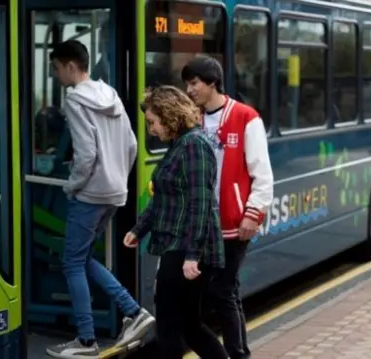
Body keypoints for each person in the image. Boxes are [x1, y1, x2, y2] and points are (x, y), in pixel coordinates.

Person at [45, 39, 155, 359]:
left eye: (55, 68)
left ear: (69, 66)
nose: (55, 75)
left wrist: (73, 186)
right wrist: (117, 176)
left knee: (71, 263)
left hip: (90, 192)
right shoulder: (111, 95)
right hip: (114, 192)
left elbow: (86, 154)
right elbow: (133, 145)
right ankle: (133, 312)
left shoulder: (75, 101)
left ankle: (87, 339)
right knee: (81, 258)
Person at [123, 85, 229, 359]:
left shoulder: (194, 146)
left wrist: (192, 255)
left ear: (169, 116)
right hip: (178, 245)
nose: (151, 129)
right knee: (189, 326)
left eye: (152, 122)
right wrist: (139, 229)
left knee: (170, 326)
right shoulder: (181, 145)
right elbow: (163, 199)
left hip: (186, 248)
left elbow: (201, 203)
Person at [181, 55, 274, 359]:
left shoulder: (246, 117)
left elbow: (262, 173)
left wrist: (253, 213)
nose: (189, 89)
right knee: (217, 294)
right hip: (200, 224)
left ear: (211, 83)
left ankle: (236, 354)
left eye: (194, 83)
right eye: (187, 84)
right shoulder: (190, 118)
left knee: (223, 292)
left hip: (234, 224)